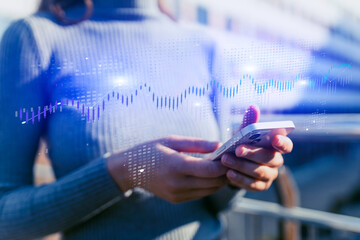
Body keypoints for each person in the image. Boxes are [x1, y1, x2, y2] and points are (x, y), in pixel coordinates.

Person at [0, 0, 293, 239]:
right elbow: (5, 217)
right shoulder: (34, 38)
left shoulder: (204, 45)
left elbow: (215, 204)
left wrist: (237, 173)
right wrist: (124, 172)